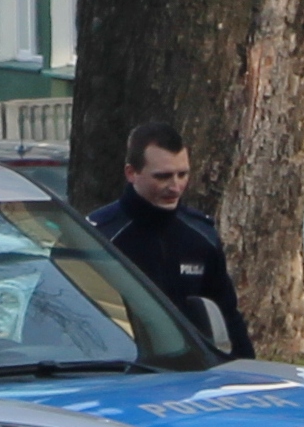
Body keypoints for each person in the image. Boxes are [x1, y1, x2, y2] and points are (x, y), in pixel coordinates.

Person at [88, 121, 254, 358]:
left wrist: (244, 374)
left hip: (193, 373)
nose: (175, 187)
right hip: (119, 371)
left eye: (182, 174)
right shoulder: (98, 237)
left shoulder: (201, 235)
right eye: (163, 176)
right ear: (131, 173)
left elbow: (227, 314)